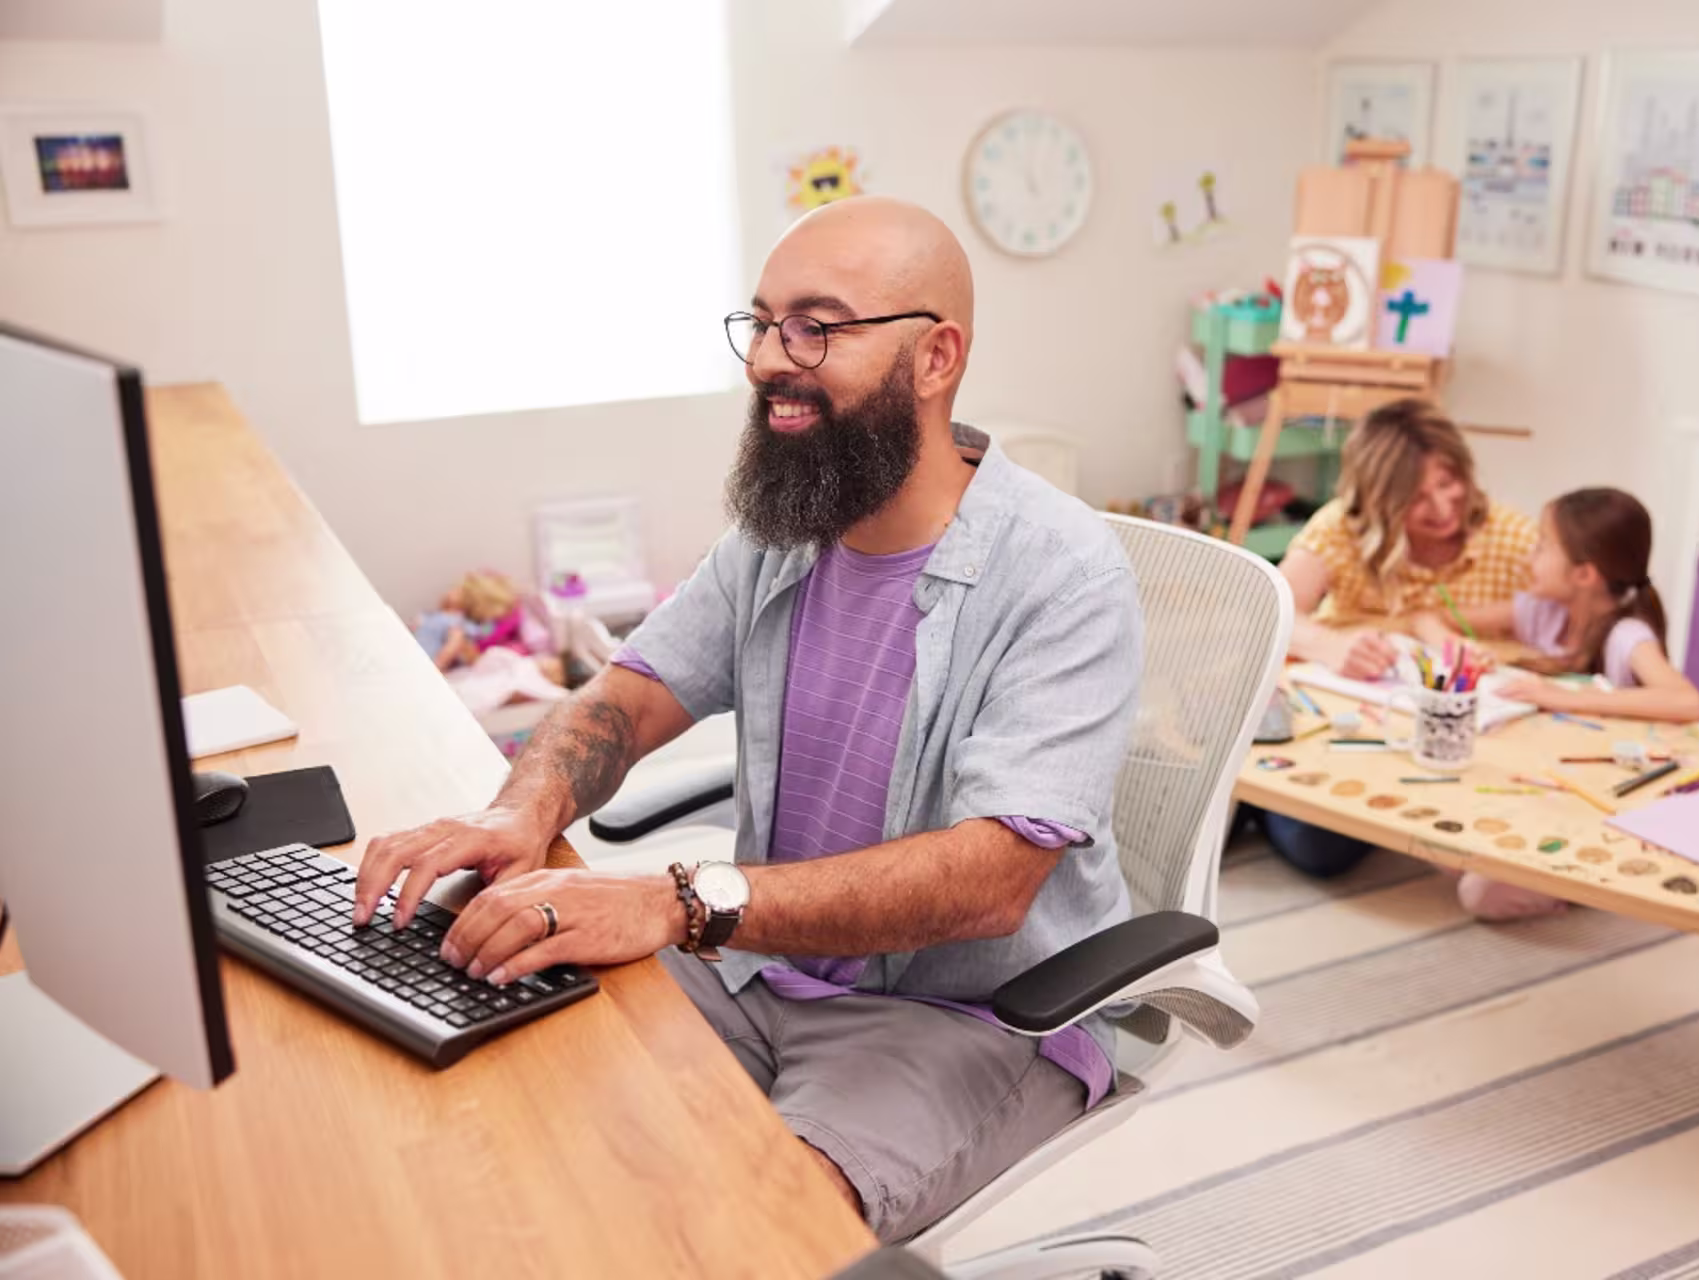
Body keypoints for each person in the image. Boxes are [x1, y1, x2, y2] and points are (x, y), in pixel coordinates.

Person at [352, 196, 1145, 1244]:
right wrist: (519, 808)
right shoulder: (785, 532)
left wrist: (677, 902)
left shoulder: (1064, 574)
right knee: (508, 1078)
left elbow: (989, 880)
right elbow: (628, 699)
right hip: (760, 967)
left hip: (969, 1021)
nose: (773, 356)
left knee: (738, 1232)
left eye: (818, 325)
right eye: (764, 322)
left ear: (938, 354)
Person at [1255, 400, 1536, 879]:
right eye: (1418, 497)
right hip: (1353, 728)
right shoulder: (1342, 528)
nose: (1444, 507)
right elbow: (1267, 610)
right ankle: (1256, 798)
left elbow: (1570, 616)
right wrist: (1330, 645)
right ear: (1380, 497)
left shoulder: (1509, 535)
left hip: (1467, 739)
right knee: (1319, 847)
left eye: (1449, 484)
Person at [1413, 486, 1699, 920]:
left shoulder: (1626, 635)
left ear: (1584, 574)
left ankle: (1579, 886)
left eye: (1542, 547)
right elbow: (1426, 616)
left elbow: (1688, 702)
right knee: (1433, 831)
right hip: (1537, 792)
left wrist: (1562, 696)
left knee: (1480, 895)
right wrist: (1457, 645)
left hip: (1599, 810)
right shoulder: (1540, 612)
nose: (1529, 559)